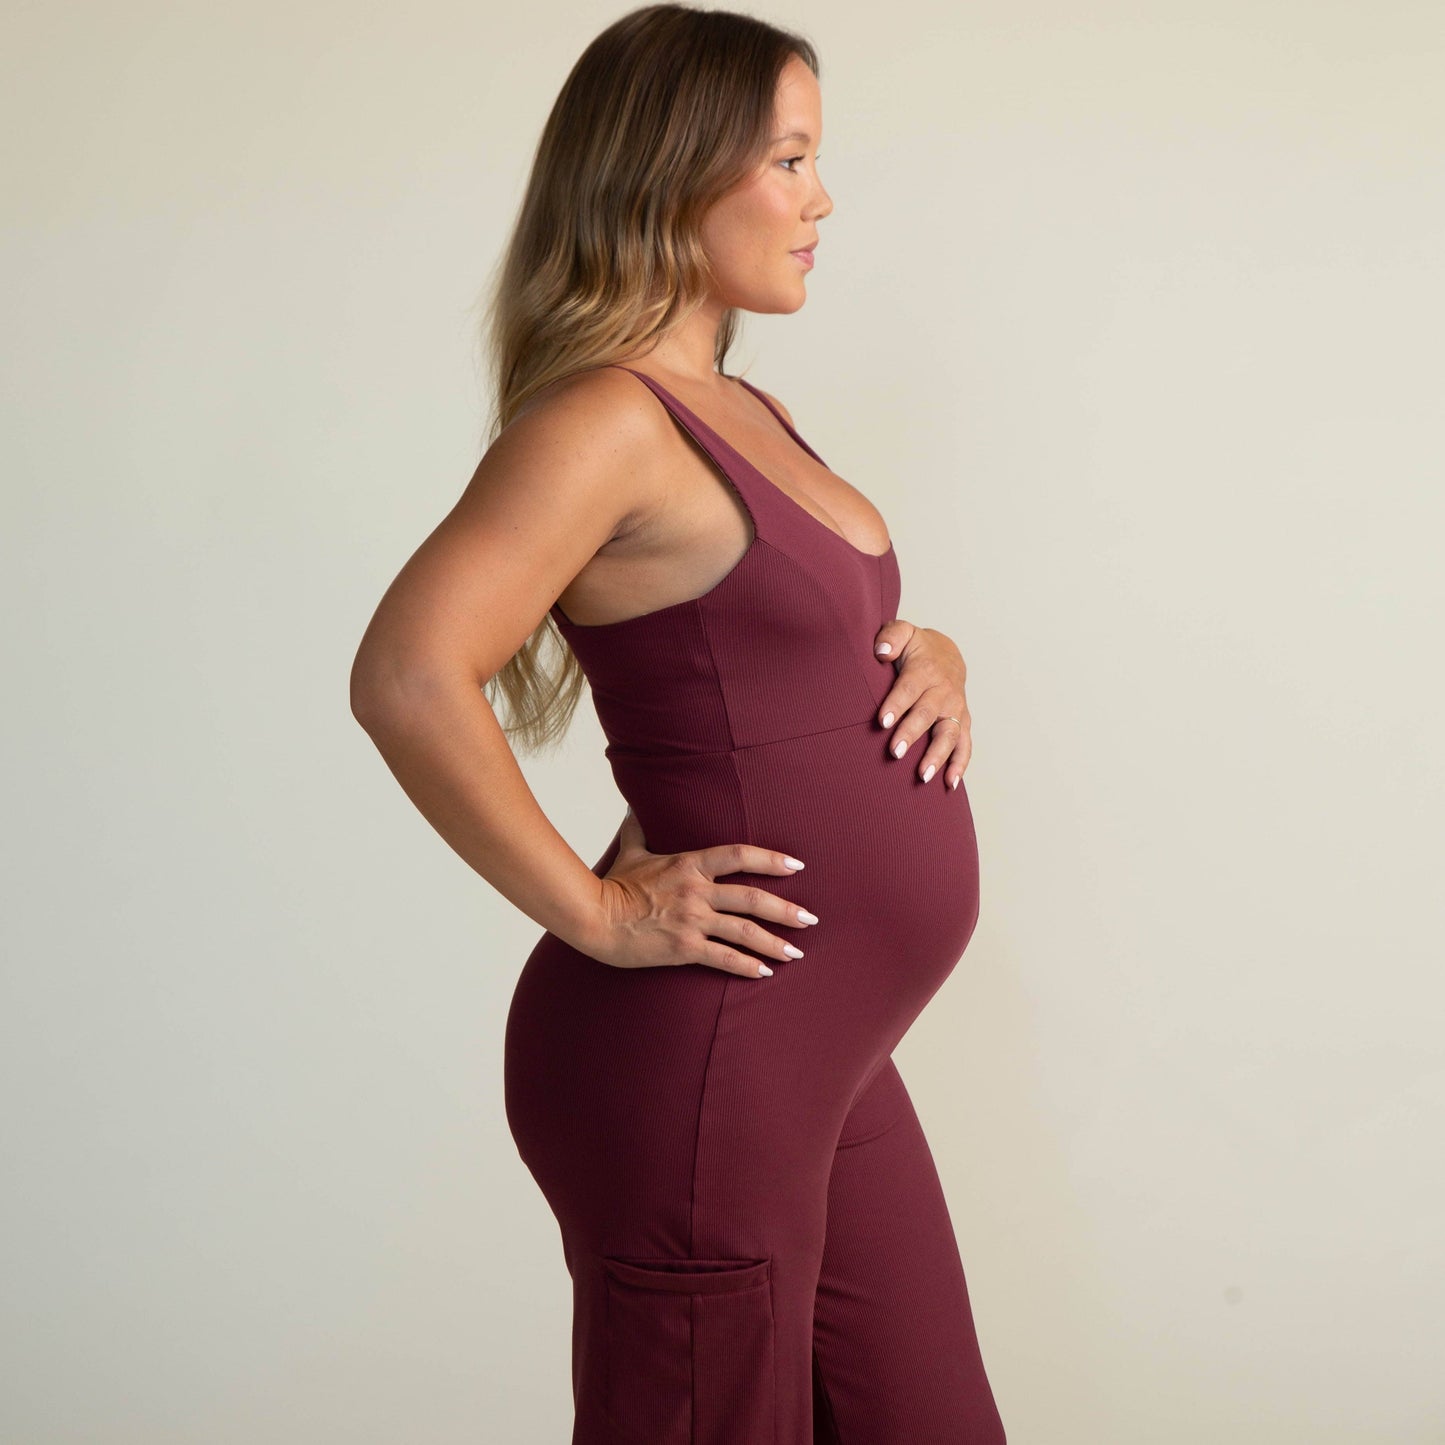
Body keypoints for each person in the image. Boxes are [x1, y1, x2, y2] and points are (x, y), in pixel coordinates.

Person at [350, 5, 1005, 1441]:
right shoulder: (604, 420)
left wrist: (928, 649)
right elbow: (407, 672)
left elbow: (757, 648)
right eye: (786, 158)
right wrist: (596, 910)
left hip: (819, 1048)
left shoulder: (735, 403)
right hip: (707, 1063)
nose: (819, 197)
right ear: (669, 173)